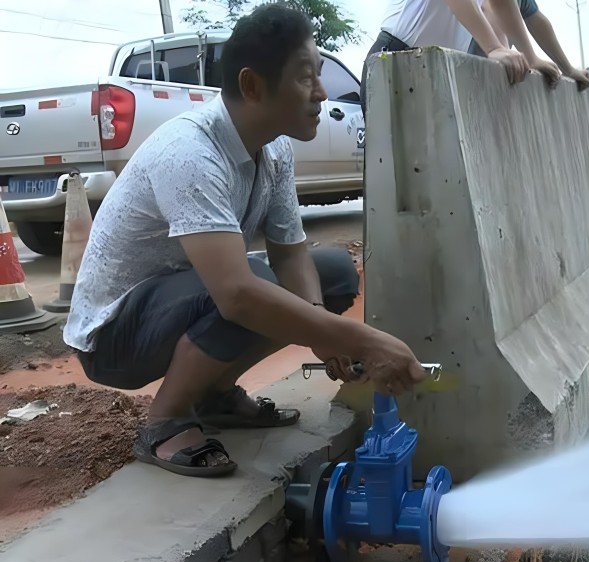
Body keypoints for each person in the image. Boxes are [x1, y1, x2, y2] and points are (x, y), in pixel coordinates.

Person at [63, 4, 427, 478]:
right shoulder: (191, 151)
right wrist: (367, 340)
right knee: (248, 288)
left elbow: (291, 252)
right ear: (253, 85)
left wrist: (325, 336)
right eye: (304, 78)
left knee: (332, 272)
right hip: (114, 335)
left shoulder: (272, 149)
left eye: (319, 75)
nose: (321, 93)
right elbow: (236, 295)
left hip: (182, 300)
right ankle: (164, 420)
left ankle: (215, 395)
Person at [360, 0, 563, 114]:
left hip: (437, 67)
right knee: (390, 174)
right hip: (394, 60)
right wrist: (493, 47)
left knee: (435, 177)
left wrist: (531, 57)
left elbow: (502, 3)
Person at [467, 0, 589, 90]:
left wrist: (568, 69)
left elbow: (536, 19)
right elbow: (493, 6)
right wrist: (496, 49)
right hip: (468, 69)